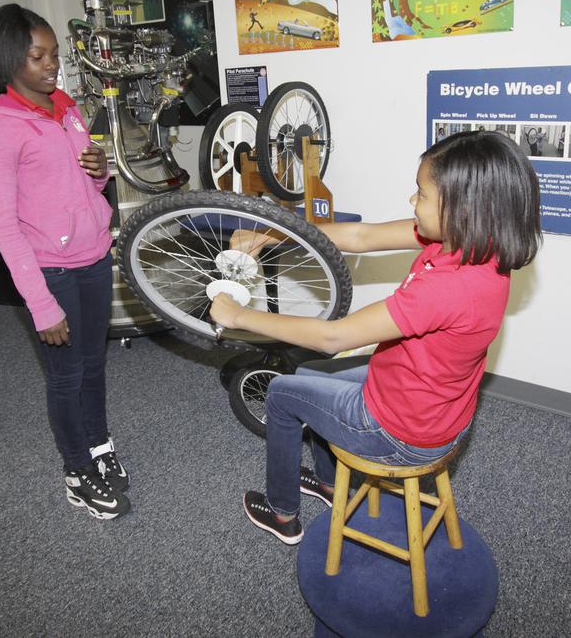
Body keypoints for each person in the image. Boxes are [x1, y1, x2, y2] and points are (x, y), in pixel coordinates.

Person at [211, 131, 541, 544]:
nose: (411, 201)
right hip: (426, 401)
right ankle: (331, 486)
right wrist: (274, 233)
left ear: (461, 207)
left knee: (281, 392)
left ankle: (282, 515)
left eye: (420, 194)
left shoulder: (452, 286)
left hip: (400, 430)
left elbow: (335, 337)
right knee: (313, 372)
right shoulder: (476, 243)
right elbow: (361, 237)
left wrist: (240, 315)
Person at [0, 5, 130, 521]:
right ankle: (75, 468)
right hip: (50, 271)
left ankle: (99, 444)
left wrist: (100, 170)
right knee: (65, 376)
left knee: (94, 364)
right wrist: (40, 304)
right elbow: (2, 223)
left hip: (92, 258)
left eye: (55, 55)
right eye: (36, 56)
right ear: (7, 60)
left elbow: (87, 186)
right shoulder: (0, 126)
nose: (51, 66)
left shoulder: (67, 108)